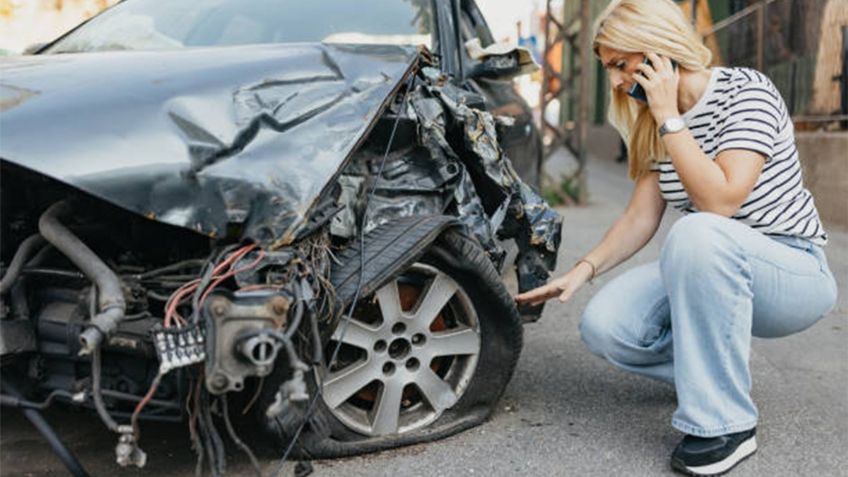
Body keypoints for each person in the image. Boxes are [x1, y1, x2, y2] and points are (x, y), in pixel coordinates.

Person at [514, 0, 838, 475]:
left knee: (699, 229)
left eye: (624, 65)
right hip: (710, 260)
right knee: (606, 327)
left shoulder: (747, 91)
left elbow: (721, 201)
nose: (619, 81)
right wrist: (580, 273)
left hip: (793, 271)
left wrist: (671, 118)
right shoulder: (652, 125)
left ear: (660, 49)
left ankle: (725, 424)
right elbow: (640, 219)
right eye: (611, 70)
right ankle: (718, 367)